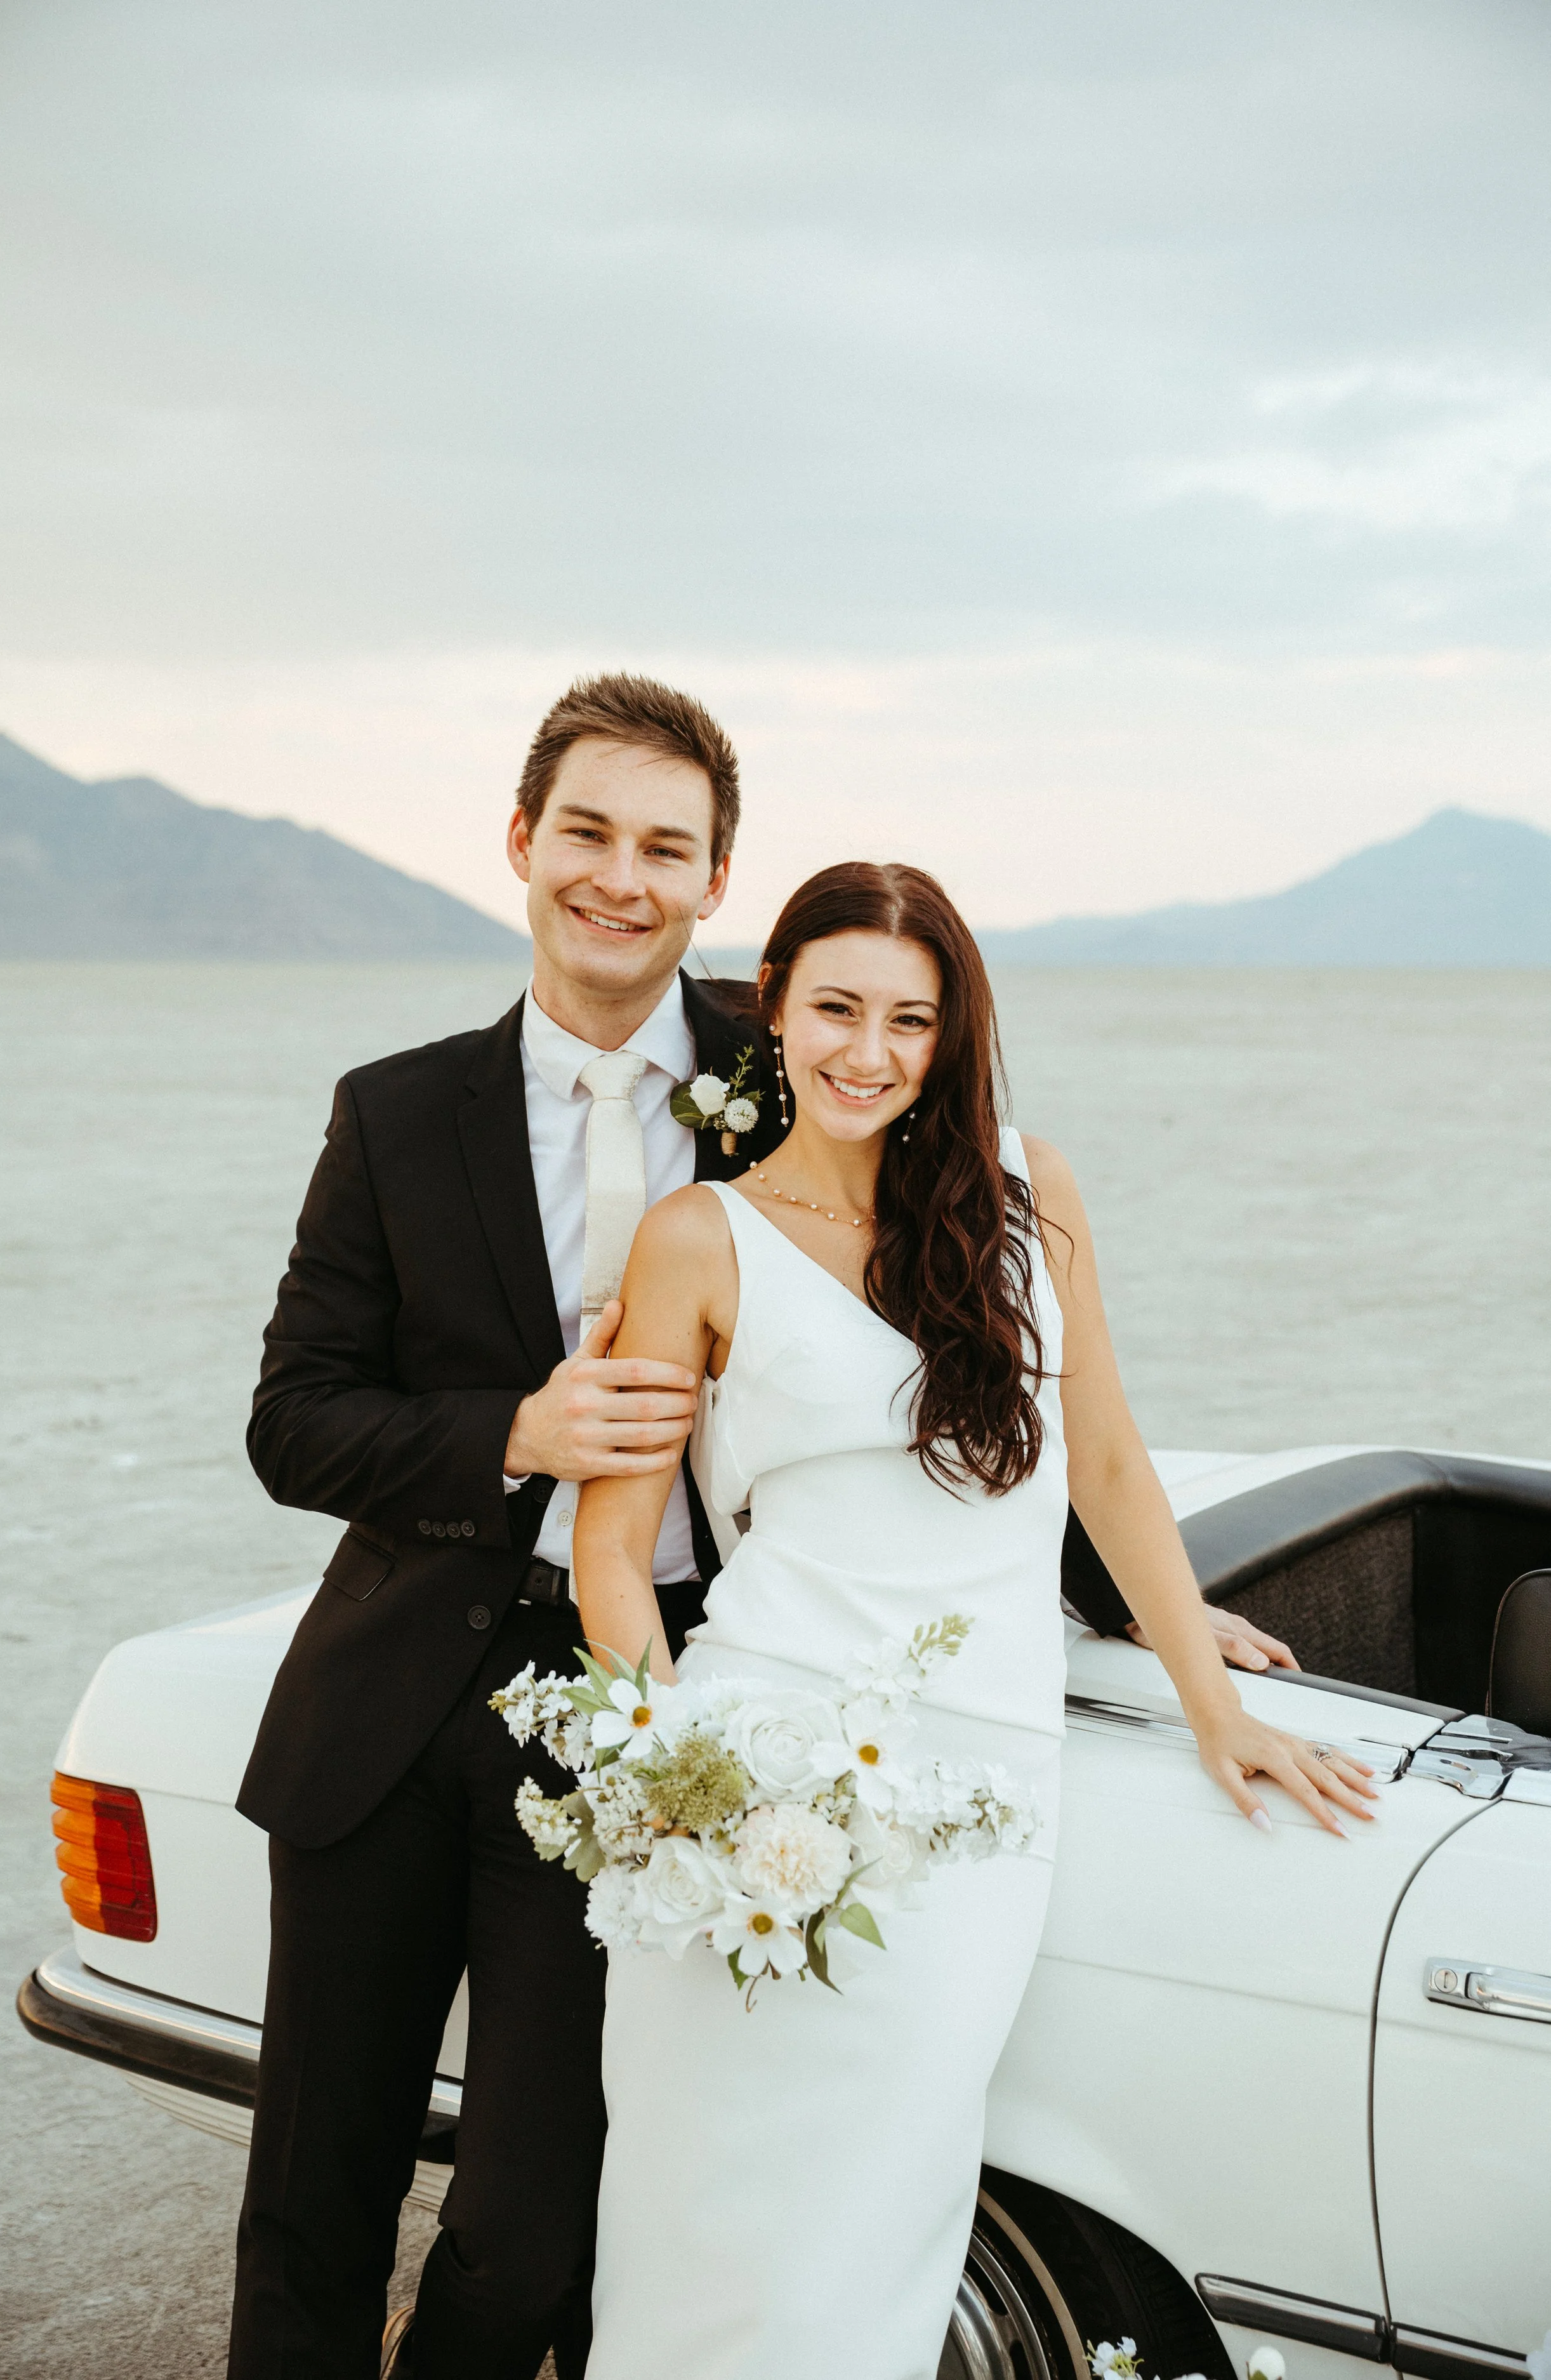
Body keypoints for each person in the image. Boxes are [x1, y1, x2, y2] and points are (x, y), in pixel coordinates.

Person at [570, 860, 1378, 2380]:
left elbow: (1110, 1464)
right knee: (702, 2212)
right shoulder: (698, 1237)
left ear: (951, 1035)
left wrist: (1214, 1699)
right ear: (776, 1011)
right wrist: (674, 1784)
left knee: (890, 2202)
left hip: (979, 1782)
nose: (866, 1052)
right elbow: (613, 1553)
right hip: (752, 1766)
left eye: (908, 1020)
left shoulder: (1027, 1191)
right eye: (832, 1009)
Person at [227, 674, 787, 2380]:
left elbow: (927, 1366)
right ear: (521, 841)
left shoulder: (790, 1075)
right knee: (318, 2194)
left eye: (665, 847)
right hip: (388, 1713)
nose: (621, 876)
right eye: (589, 832)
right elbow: (293, 1415)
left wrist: (1133, 1594)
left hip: (630, 1704)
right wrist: (512, 1434)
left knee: (538, 2227)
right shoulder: (394, 1110)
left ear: (713, 879)